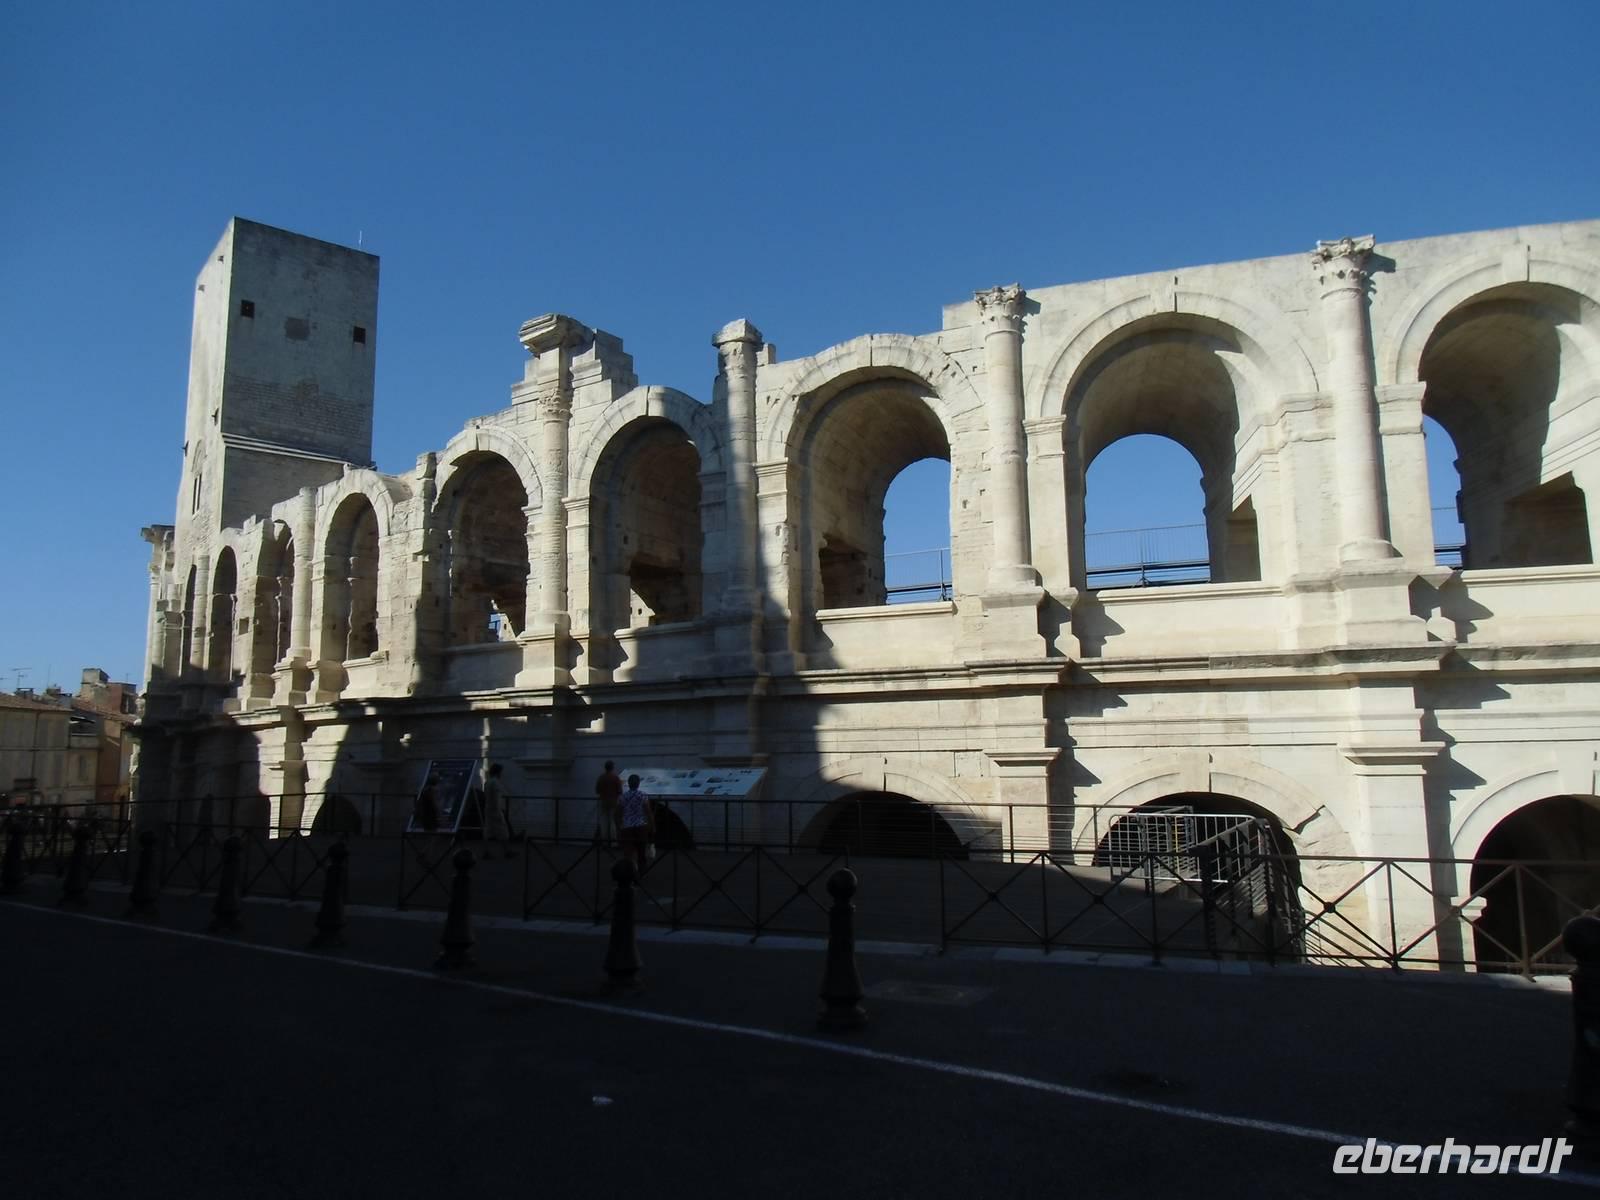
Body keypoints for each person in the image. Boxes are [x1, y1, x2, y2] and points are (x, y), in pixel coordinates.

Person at [615, 774, 654, 873]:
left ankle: (629, 872)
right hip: (641, 826)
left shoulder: (622, 797)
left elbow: (618, 813)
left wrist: (619, 827)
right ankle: (641, 872)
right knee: (641, 851)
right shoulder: (643, 795)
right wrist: (652, 826)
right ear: (638, 784)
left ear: (628, 784)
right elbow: (648, 812)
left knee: (628, 852)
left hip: (627, 827)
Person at [481, 763, 511, 859]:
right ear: (498, 772)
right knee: (504, 831)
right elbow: (497, 798)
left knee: (488, 831)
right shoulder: (496, 783)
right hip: (495, 810)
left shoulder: (488, 782)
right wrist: (500, 809)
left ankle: (486, 852)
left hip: (488, 808)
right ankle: (507, 851)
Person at [593, 761, 622, 847]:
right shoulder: (615, 778)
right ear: (612, 767)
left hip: (603, 802)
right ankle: (613, 842)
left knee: (604, 822)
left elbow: (597, 790)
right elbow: (620, 791)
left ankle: (604, 842)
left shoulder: (601, 778)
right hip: (613, 802)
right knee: (612, 821)